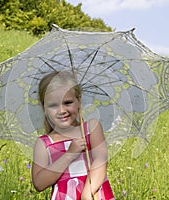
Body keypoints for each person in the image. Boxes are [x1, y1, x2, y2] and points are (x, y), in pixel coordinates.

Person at [32, 71, 114, 200]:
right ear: (44, 108)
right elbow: (39, 183)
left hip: (93, 194)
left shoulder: (91, 128)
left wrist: (87, 193)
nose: (62, 110)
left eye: (68, 103)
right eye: (53, 105)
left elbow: (101, 160)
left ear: (78, 101)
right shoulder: (45, 143)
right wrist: (69, 155)